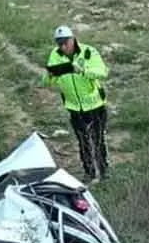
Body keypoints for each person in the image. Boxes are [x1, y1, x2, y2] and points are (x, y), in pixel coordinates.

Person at [41, 25, 110, 184]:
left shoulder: (88, 52)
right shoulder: (55, 55)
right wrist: (50, 75)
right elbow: (46, 82)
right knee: (83, 141)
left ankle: (104, 171)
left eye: (65, 42)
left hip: (94, 105)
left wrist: (83, 71)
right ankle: (89, 173)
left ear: (72, 39)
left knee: (98, 139)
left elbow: (103, 72)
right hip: (74, 107)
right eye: (59, 43)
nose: (63, 46)